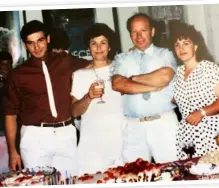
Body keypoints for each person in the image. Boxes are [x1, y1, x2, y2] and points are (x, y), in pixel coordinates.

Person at [4, 20, 90, 176]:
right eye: (31, 43)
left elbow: (95, 65)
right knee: (38, 184)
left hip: (66, 134)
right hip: (35, 136)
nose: (36, 47)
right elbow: (10, 114)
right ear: (25, 45)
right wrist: (13, 151)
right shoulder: (18, 74)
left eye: (40, 40)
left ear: (48, 39)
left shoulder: (64, 60)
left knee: (70, 182)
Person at [112, 13, 178, 164]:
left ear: (152, 32)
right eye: (134, 32)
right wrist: (153, 87)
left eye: (143, 30)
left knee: (173, 169)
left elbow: (164, 77)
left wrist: (132, 79)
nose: (139, 36)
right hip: (133, 126)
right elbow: (117, 84)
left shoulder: (166, 54)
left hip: (164, 123)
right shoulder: (123, 58)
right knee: (135, 174)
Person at [170, 22, 219, 159]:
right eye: (177, 44)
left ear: (196, 46)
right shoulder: (178, 74)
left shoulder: (210, 69)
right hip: (187, 136)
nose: (181, 48)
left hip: (213, 132)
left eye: (186, 43)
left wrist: (202, 112)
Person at [71, 23, 125, 174]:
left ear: (109, 46)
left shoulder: (121, 69)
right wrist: (88, 97)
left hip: (119, 139)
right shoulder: (80, 74)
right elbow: (74, 112)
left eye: (103, 43)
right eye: (93, 43)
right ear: (88, 47)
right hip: (92, 143)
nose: (98, 47)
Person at [0, 51, 13, 173]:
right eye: (3, 64)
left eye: (8, 64)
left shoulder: (14, 80)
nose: (5, 68)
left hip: (12, 131)